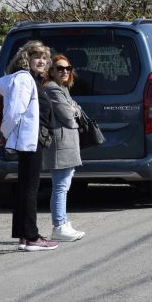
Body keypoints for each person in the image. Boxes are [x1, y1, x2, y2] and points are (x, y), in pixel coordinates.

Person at [0, 41, 58, 251]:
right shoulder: (24, 79)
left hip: (30, 139)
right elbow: (15, 111)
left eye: (44, 58)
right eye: (37, 57)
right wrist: (4, 133)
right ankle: (32, 237)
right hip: (29, 140)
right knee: (30, 189)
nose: (42, 61)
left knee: (25, 187)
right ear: (26, 59)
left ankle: (23, 236)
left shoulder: (30, 79)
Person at [42, 54, 86, 242]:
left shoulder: (62, 89)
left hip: (67, 143)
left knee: (64, 185)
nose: (65, 72)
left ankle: (63, 222)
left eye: (68, 68)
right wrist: (73, 110)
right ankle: (59, 226)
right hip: (60, 145)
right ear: (51, 71)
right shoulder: (52, 88)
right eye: (60, 68)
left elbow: (76, 108)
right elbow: (69, 116)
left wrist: (73, 109)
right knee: (60, 186)